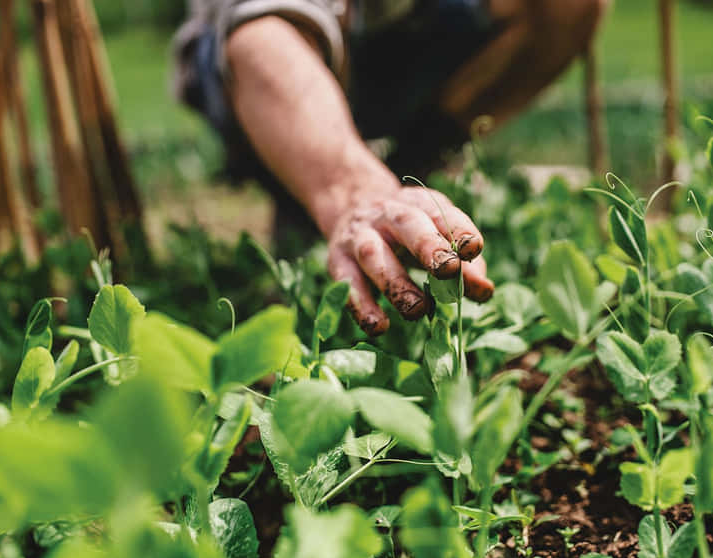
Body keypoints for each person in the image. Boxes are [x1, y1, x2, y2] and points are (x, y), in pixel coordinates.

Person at [173, 0, 607, 335]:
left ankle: (414, 166)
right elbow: (262, 35)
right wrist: (354, 192)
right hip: (250, 57)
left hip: (406, 36)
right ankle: (308, 195)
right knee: (268, 31)